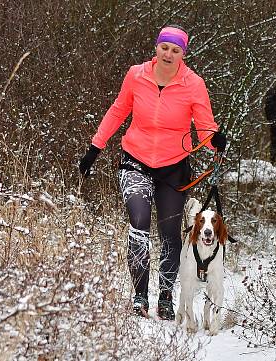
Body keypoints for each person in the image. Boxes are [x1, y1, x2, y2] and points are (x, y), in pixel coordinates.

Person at [77, 25, 227, 320]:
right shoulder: (137, 75)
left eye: (176, 50)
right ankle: (140, 295)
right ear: (156, 48)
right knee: (139, 221)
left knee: (170, 233)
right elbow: (118, 110)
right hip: (135, 159)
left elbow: (206, 126)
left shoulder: (193, 83)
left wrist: (215, 142)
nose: (169, 54)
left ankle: (167, 297)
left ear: (183, 53)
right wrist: (96, 147)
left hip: (173, 167)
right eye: (164, 48)